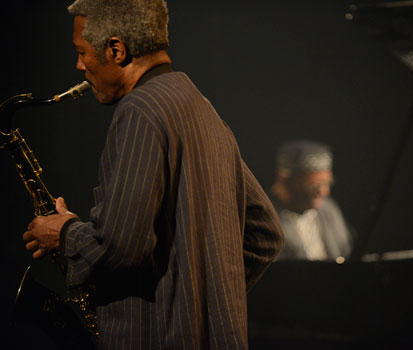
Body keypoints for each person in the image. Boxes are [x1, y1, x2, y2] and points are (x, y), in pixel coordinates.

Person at [21, 0, 284, 348]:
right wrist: (201, 297)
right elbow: (265, 235)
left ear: (116, 50)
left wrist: (64, 232)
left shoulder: (140, 110)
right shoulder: (201, 109)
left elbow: (119, 246)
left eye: (82, 52)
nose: (79, 65)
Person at [270, 140, 355, 262]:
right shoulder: (265, 217)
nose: (324, 192)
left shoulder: (328, 209)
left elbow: (347, 254)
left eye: (327, 184)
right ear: (285, 181)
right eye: (314, 186)